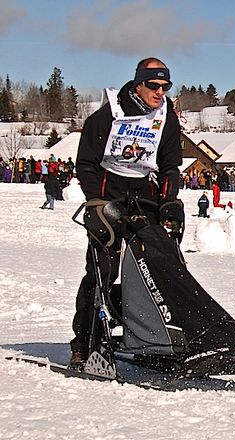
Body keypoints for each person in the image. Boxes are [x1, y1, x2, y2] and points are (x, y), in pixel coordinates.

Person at [70, 57, 183, 369]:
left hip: (144, 198)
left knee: (158, 267)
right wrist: (95, 201)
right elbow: (86, 164)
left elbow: (171, 164)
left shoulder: (166, 117)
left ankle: (156, 339)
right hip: (108, 196)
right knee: (102, 274)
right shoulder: (109, 113)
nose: (160, 92)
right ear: (138, 83)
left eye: (165, 86)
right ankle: (85, 345)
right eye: (153, 85)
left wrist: (169, 200)